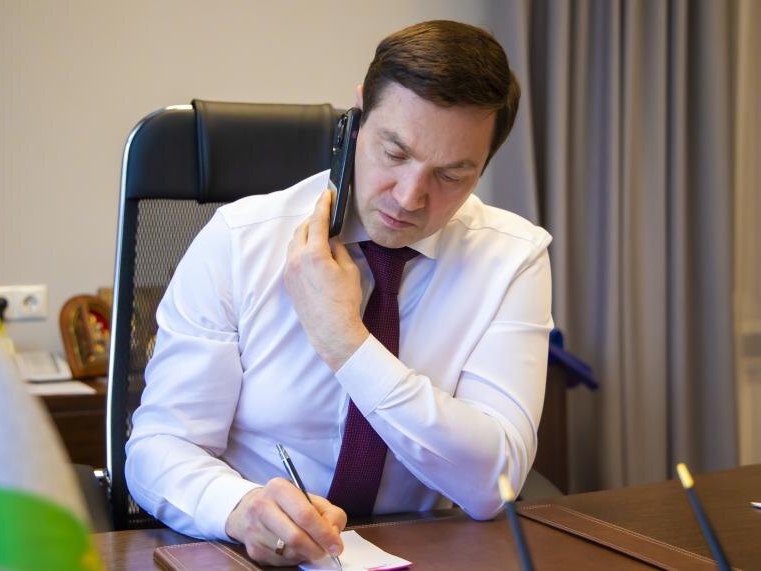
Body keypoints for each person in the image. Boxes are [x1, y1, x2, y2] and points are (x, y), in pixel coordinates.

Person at [126, 19, 553, 567]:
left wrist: (346, 343)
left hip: (422, 554)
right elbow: (158, 448)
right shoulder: (240, 241)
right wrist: (239, 508)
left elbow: (494, 481)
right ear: (356, 119)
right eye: (394, 152)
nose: (409, 197)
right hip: (250, 556)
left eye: (451, 175)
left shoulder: (512, 258)